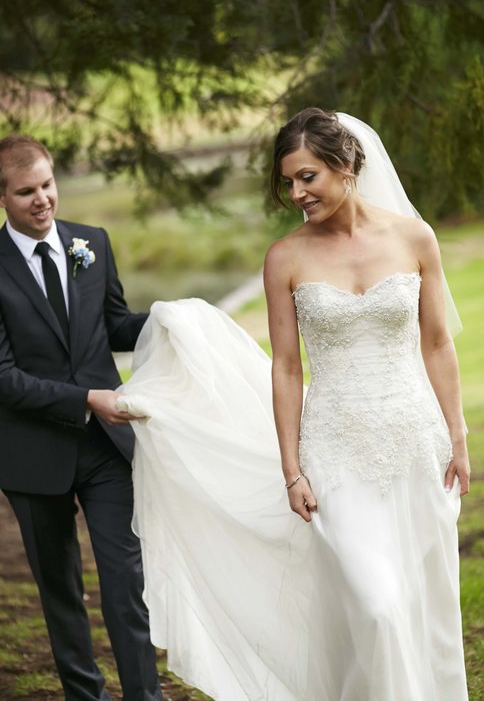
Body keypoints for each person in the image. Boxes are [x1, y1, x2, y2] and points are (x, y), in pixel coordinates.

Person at [118, 110, 469, 701]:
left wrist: (458, 440)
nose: (296, 194)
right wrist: (292, 469)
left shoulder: (414, 238)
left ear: (348, 165)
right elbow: (286, 367)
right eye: (288, 183)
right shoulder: (285, 257)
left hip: (416, 443)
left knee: (417, 604)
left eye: (308, 177)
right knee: (375, 605)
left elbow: (436, 342)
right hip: (334, 450)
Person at [0, 136, 163, 701]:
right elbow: (3, 378)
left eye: (47, 185)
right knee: (62, 591)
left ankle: (144, 695)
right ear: (3, 198)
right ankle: (83, 695)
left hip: (105, 447)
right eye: (26, 192)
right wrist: (84, 398)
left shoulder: (91, 243)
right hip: (32, 454)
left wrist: (171, 324)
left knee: (126, 581)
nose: (42, 199)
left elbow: (113, 325)